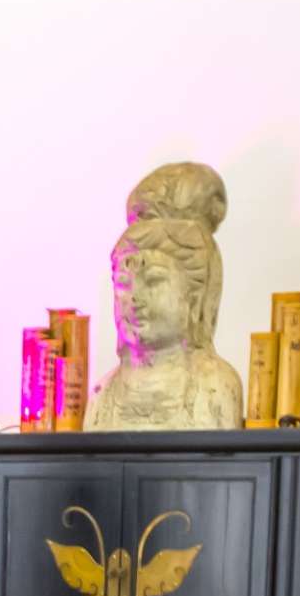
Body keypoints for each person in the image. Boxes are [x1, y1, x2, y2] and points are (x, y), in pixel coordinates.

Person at [88, 160, 249, 432]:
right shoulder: (103, 394)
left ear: (194, 295)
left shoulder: (217, 387)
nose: (135, 298)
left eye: (154, 281)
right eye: (124, 285)